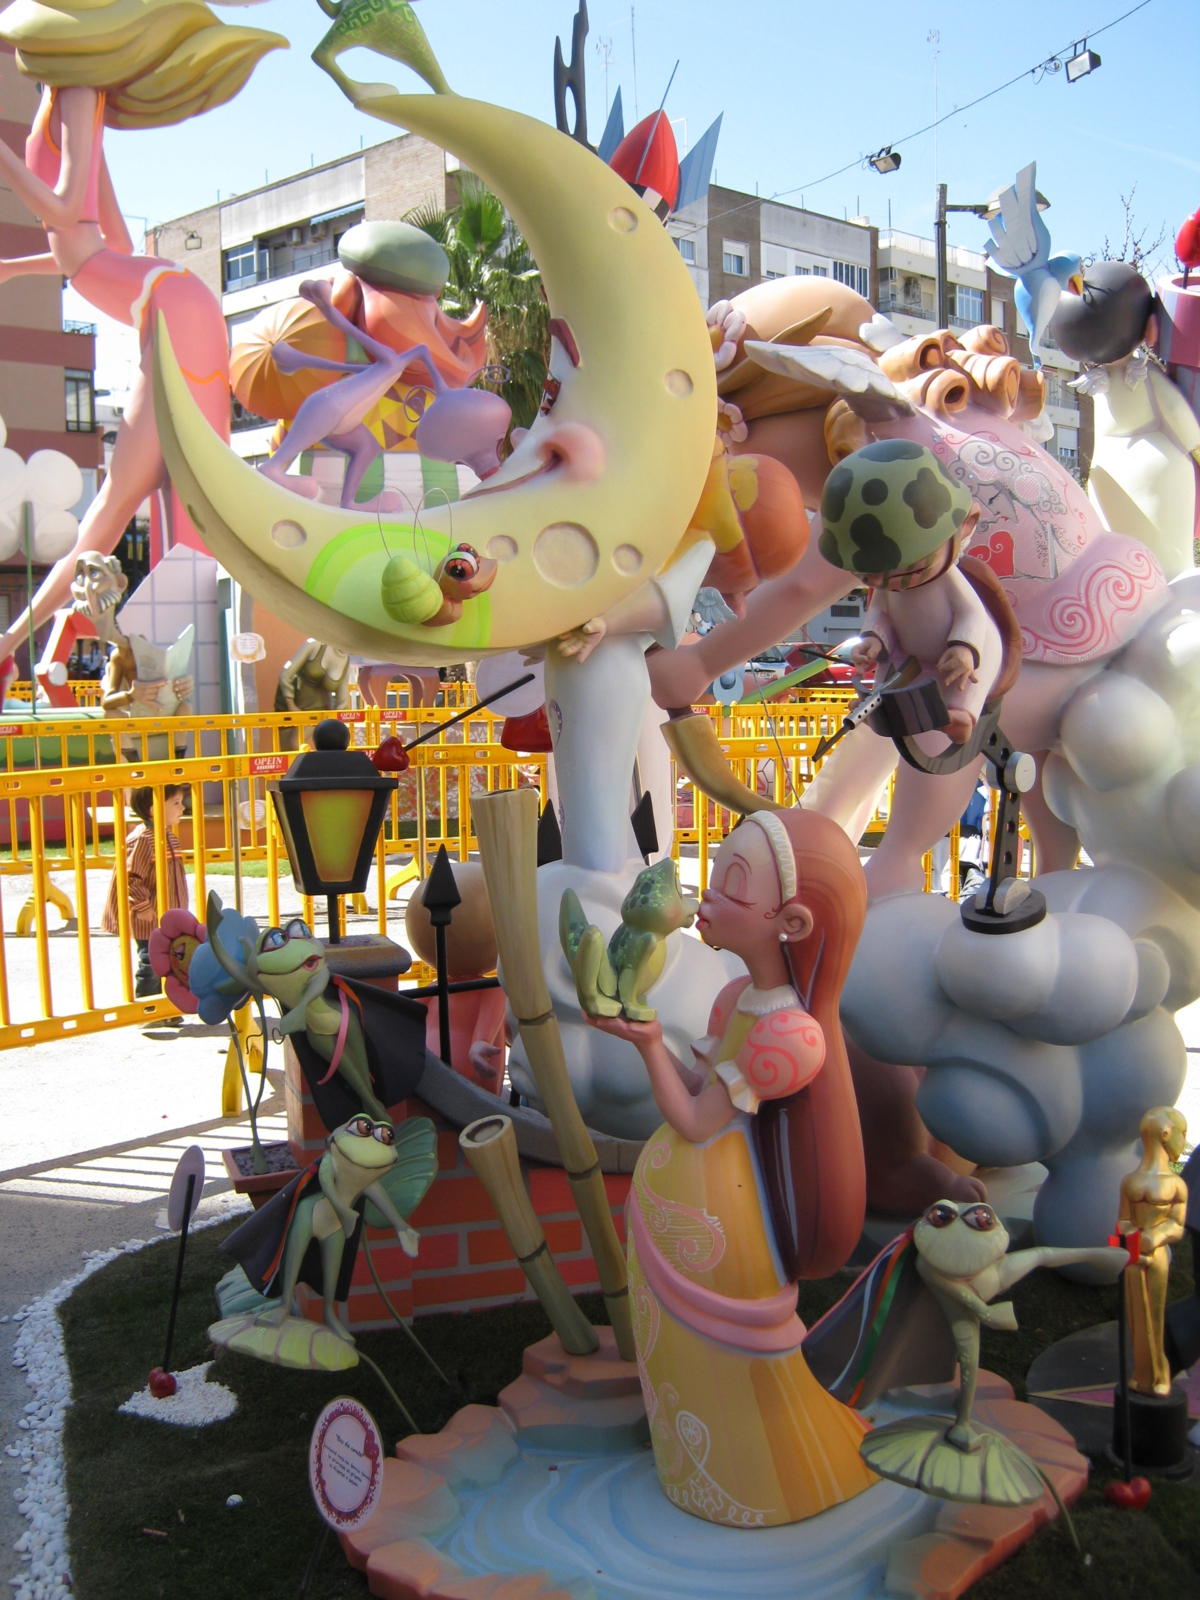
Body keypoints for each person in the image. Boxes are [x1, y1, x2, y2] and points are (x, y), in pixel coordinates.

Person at [586, 808, 875, 1526]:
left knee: (724, 1362)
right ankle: (695, 1476)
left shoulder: (790, 1034)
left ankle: (759, 1488)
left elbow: (696, 1120)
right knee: (685, 1363)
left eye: (733, 883)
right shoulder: (734, 1001)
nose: (707, 893)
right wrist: (643, 1032)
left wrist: (648, 1045)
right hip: (689, 1221)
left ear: (792, 923)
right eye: (714, 873)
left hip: (724, 1227)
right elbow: (697, 1089)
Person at [0, 0, 285, 656]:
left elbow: (64, 212)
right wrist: (17, 269)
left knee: (126, 501)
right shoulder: (78, 98)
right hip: (170, 298)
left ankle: (20, 646)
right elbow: (105, 244)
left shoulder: (78, 92)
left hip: (170, 306)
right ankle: (47, 650)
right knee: (161, 492)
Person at [102, 785, 189, 1000]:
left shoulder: (167, 836)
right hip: (148, 917)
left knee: (169, 960)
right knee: (151, 962)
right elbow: (130, 877)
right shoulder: (142, 839)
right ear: (154, 809)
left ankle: (165, 1006)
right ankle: (147, 1006)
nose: (183, 808)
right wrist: (142, 906)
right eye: (176, 803)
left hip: (167, 915)